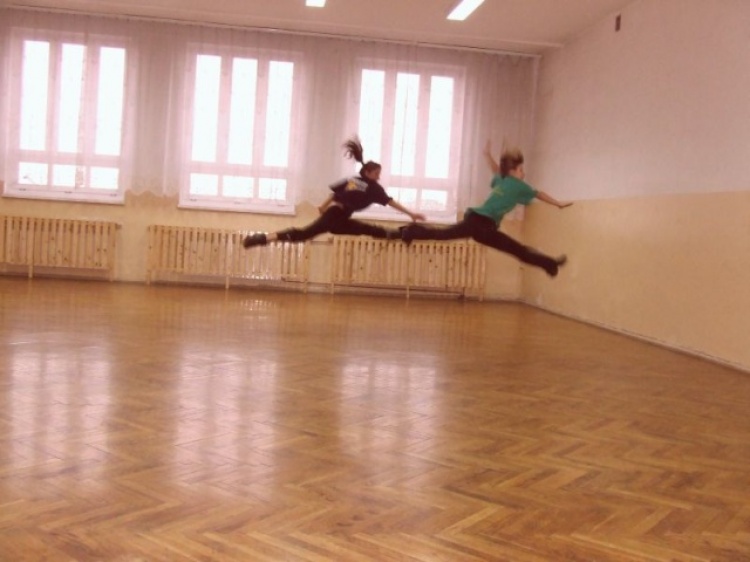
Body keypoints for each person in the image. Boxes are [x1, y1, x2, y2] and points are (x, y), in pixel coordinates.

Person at [401, 141, 572, 277]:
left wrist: (488, 155)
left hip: (482, 226)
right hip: (480, 223)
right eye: (521, 170)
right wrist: (557, 203)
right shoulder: (518, 184)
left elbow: (496, 170)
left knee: (443, 235)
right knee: (517, 250)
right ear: (512, 171)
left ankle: (411, 231)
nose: (524, 173)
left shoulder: (503, 180)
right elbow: (539, 194)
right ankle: (550, 264)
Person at [242, 136, 425, 248]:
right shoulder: (367, 186)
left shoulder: (359, 182)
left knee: (367, 229)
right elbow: (389, 202)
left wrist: (323, 207)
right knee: (304, 234)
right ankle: (263, 238)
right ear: (368, 172)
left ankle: (401, 234)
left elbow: (337, 194)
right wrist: (410, 214)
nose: (379, 176)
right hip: (335, 215)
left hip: (339, 218)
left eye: (379, 173)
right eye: (377, 173)